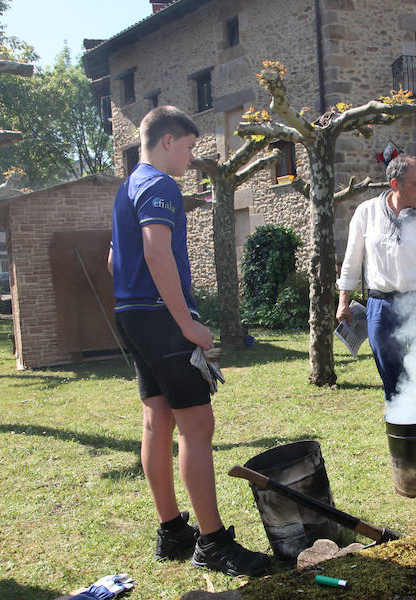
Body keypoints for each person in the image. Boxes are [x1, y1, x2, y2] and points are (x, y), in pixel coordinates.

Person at [108, 106, 269, 576]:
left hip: (132, 315)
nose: (191, 157)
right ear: (167, 142)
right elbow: (157, 253)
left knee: (157, 420)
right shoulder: (160, 185)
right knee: (196, 427)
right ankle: (213, 544)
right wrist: (187, 324)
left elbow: (115, 261)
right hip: (162, 319)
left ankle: (172, 530)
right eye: (190, 147)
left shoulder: (127, 188)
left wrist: (139, 304)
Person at [336, 154, 416, 473]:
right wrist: (343, 300)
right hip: (380, 304)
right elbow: (352, 260)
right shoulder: (366, 213)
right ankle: (408, 443)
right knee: (391, 373)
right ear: (395, 185)